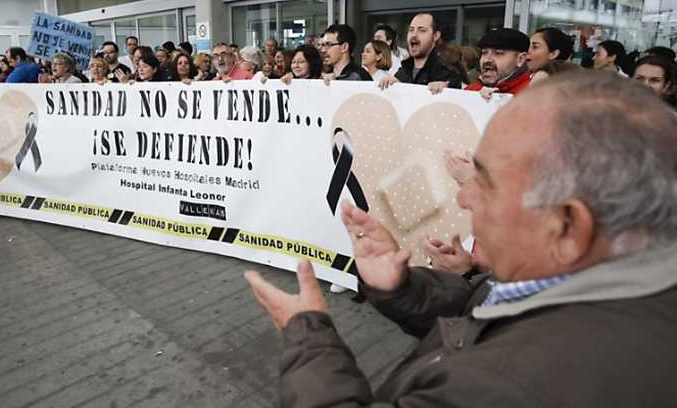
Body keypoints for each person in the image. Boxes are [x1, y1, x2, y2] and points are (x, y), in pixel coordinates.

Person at [245, 70, 677, 406]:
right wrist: (402, 287)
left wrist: (308, 334)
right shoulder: (605, 281)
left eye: (485, 181)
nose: (464, 197)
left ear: (567, 226)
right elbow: (491, 305)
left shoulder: (510, 387)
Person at [378, 13, 462, 89]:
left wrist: (446, 89)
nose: (414, 35)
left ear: (436, 36)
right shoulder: (404, 70)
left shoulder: (446, 72)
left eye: (422, 30)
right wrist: (391, 84)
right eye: (411, 30)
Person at [465, 28, 532, 99]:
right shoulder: (471, 90)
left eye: (498, 53)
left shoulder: (531, 95)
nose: (487, 60)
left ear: (520, 59)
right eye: (484, 53)